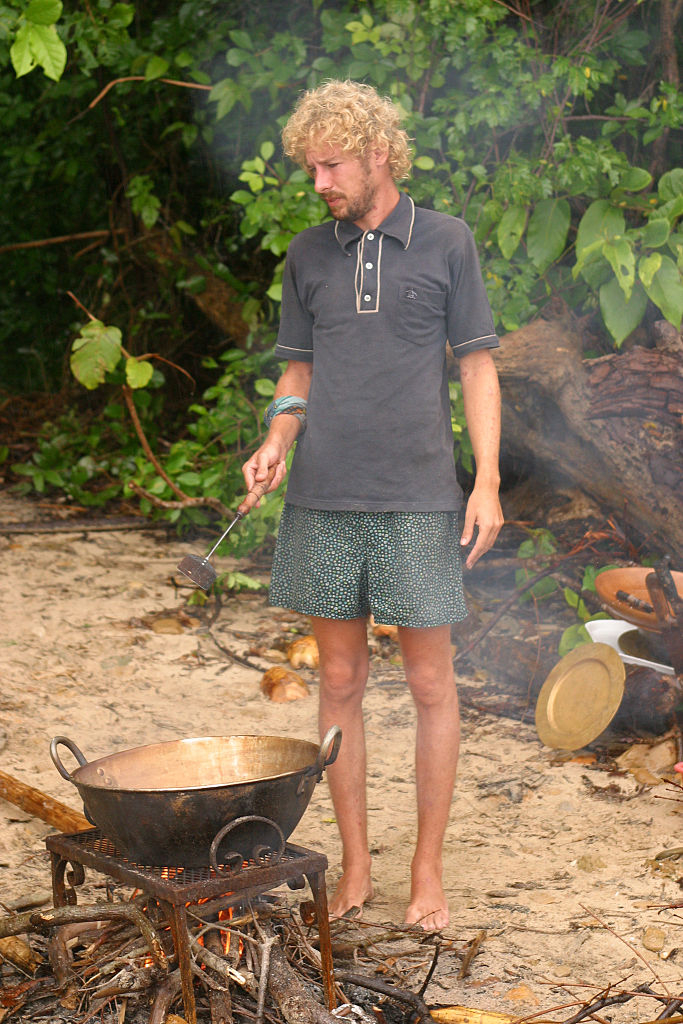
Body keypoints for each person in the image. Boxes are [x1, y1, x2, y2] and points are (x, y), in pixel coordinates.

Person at [243, 80, 503, 932]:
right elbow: (298, 373)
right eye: (310, 167)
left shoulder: (446, 243)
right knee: (342, 681)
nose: (319, 181)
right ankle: (355, 864)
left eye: (333, 165)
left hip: (419, 494)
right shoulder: (307, 255)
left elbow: (475, 367)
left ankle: (426, 871)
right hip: (323, 495)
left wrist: (488, 481)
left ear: (379, 155)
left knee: (430, 682)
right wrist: (277, 438)